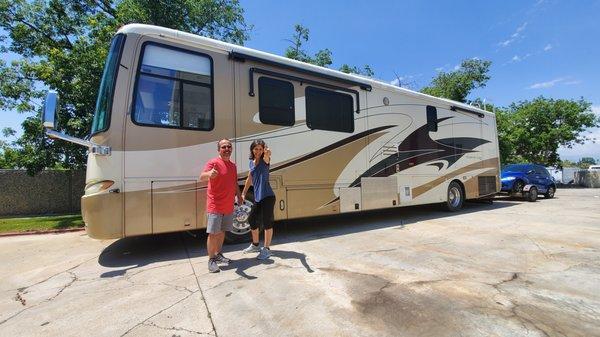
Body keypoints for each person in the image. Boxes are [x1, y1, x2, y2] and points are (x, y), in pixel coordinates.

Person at [199, 139, 243, 273]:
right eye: (224, 147)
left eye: (229, 146)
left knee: (222, 231)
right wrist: (209, 174)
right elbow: (202, 176)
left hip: (228, 205)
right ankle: (211, 259)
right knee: (213, 233)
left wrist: (239, 196)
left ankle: (218, 254)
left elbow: (234, 182)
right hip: (215, 204)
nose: (227, 149)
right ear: (219, 150)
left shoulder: (233, 166)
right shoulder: (213, 163)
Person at [241, 139, 276, 260]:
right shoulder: (251, 162)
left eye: (260, 149)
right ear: (252, 149)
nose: (258, 151)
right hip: (258, 197)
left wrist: (268, 153)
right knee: (251, 219)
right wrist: (243, 193)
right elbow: (249, 178)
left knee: (267, 222)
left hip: (268, 196)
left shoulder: (265, 160)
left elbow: (267, 156)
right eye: (256, 149)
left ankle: (266, 249)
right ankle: (256, 245)